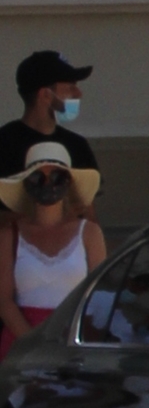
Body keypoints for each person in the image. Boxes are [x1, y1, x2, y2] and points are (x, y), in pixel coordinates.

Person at [0, 143, 106, 357]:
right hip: (22, 345)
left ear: (69, 182)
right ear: (27, 184)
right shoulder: (9, 235)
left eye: (57, 177)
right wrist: (36, 345)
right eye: (38, 177)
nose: (48, 184)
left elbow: (100, 296)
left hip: (75, 342)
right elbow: (4, 301)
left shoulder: (89, 233)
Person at [0, 50, 98, 181]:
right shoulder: (5, 145)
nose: (78, 94)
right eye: (70, 87)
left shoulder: (77, 146)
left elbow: (87, 198)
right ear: (45, 94)